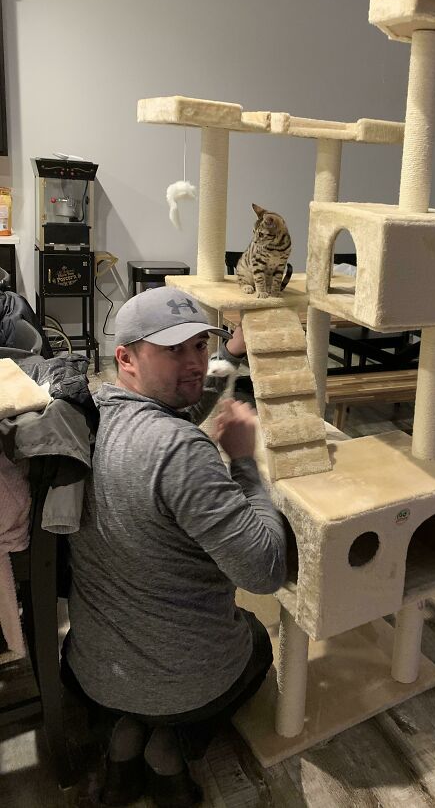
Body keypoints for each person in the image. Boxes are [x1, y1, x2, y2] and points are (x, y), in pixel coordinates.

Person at [62, 287, 286, 807]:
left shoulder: (86, 412)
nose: (194, 364)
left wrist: (226, 360)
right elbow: (265, 570)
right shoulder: (181, 451)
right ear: (126, 358)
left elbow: (181, 401)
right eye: (174, 350)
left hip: (90, 671)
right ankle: (172, 745)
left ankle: (124, 739)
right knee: (257, 640)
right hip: (185, 682)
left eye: (200, 347)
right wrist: (246, 464)